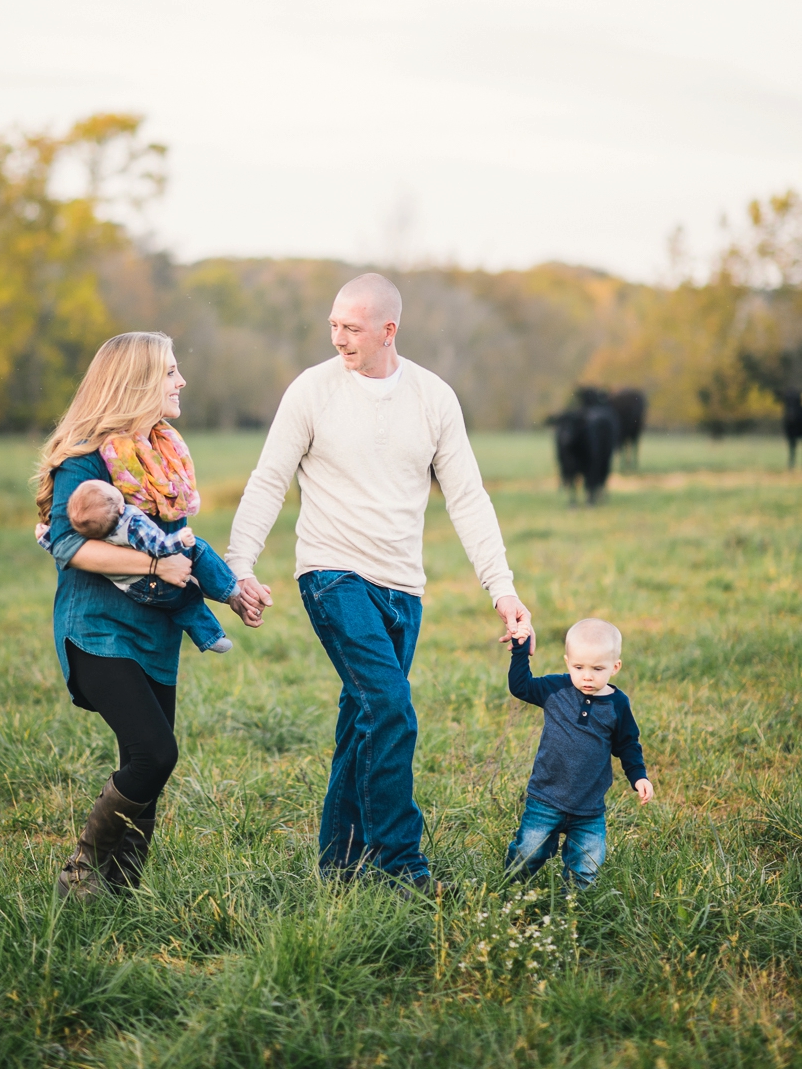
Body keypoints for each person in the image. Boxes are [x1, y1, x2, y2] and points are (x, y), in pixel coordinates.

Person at [226, 272, 532, 893]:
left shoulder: (433, 397)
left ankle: (338, 867)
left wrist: (502, 589)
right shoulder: (312, 391)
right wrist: (240, 566)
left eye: (352, 328)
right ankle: (401, 865)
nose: (338, 338)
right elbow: (268, 480)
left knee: (362, 717)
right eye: (333, 325)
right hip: (331, 573)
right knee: (391, 709)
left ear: (388, 330)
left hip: (402, 586)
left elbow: (468, 498)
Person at [35, 331, 261, 901]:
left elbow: (181, 541)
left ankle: (123, 894)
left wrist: (230, 591)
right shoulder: (86, 457)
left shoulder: (161, 454)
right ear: (136, 382)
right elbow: (68, 544)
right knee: (154, 753)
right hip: (98, 630)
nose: (180, 381)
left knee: (148, 768)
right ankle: (81, 876)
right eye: (169, 372)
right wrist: (154, 566)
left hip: (156, 635)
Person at [506, 617, 653, 890]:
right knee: (528, 854)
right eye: (578, 667)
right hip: (545, 798)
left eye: (598, 669)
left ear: (615, 667)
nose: (587, 676)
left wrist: (639, 776)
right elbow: (521, 687)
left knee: (587, 864)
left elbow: (628, 744)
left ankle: (571, 907)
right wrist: (520, 650)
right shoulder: (555, 689)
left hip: (589, 807)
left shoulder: (617, 705)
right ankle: (510, 892)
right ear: (567, 663)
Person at [35, 478, 234, 653]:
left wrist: (45, 536)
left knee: (183, 603)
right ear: (121, 507)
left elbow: (58, 546)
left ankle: (211, 639)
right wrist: (180, 540)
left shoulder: (91, 535)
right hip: (155, 580)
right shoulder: (131, 523)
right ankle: (230, 589)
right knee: (199, 549)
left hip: (136, 590)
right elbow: (159, 547)